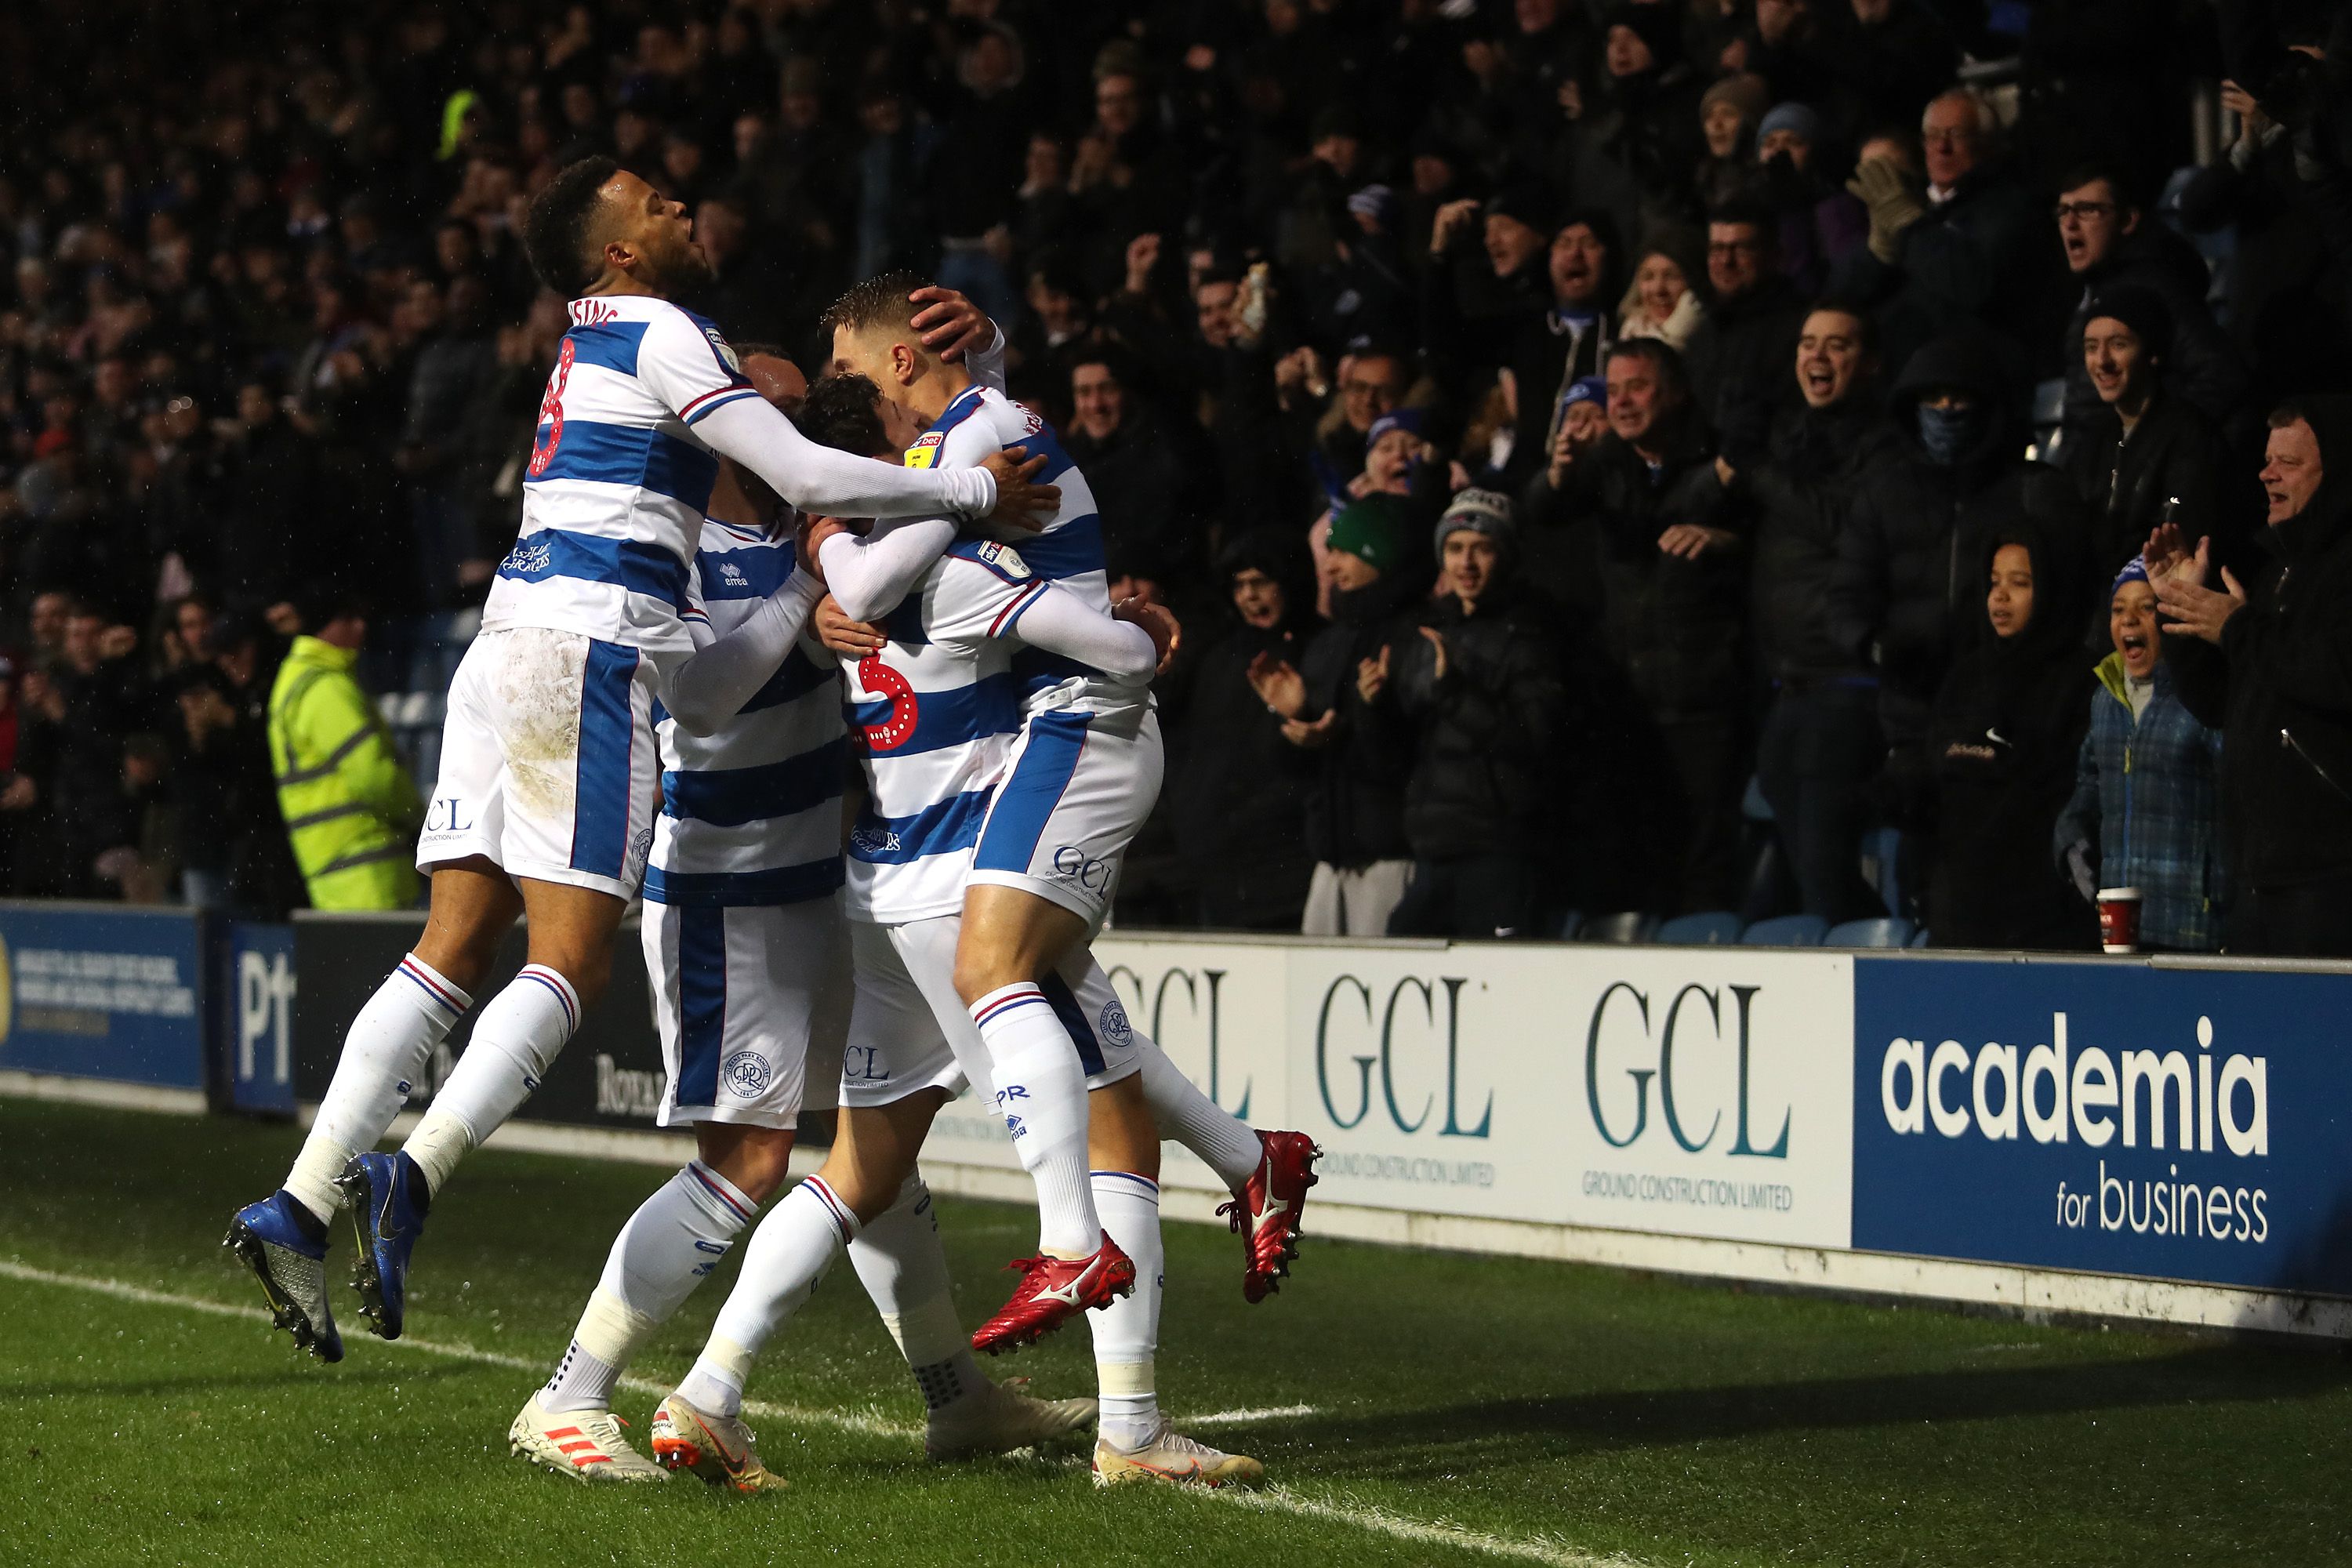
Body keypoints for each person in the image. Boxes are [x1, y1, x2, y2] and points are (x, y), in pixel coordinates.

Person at [224, 157, 1058, 1365]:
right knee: (571, 970)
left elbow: (857, 444)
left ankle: (299, 1198)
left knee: (454, 946)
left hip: (512, 637)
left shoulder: (606, 356)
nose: (680, 205)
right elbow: (805, 506)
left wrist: (970, 374)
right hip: (595, 668)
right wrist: (968, 495)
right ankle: (422, 1181)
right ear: (614, 251)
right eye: (653, 204)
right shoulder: (675, 354)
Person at [671, 350, 1310, 1493]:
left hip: (880, 894)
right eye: (909, 443)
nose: (931, 450)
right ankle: (1135, 1418)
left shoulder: (824, 580)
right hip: (978, 884)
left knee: (859, 1166)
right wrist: (1129, 628)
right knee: (1118, 1114)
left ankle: (708, 1392)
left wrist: (829, 538)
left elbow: (855, 566)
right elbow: (1098, 641)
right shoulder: (953, 569)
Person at [510, 344, 1091, 1482]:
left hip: (822, 879)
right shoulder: (677, 547)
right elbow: (703, 696)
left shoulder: (818, 538)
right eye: (764, 410)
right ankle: (570, 1393)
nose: (786, 427)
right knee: (748, 1163)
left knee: (879, 1141)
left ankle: (955, 1396)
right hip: (727, 893)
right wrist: (804, 597)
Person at [1523, 339, 1747, 913]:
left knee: (1701, 858)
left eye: (1638, 388)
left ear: (1675, 393)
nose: (1621, 402)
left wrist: (1729, 541)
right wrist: (1558, 473)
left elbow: (1773, 546)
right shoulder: (1607, 461)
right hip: (1630, 697)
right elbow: (1543, 511)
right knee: (1631, 854)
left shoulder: (1721, 457)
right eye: (1614, 390)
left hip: (1703, 697)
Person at [2153, 398, 2352, 956]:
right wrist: (2184, 615)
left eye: (2288, 462)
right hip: (2258, 876)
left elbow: (2334, 671)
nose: (2267, 474)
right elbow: (2223, 703)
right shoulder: (2275, 571)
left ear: (2334, 471)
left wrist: (2237, 626)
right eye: (2267, 460)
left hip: (2330, 879)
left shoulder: (2341, 569)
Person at [1828, 328, 2087, 756]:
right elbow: (1846, 597)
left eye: (1958, 398)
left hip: (2010, 712)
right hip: (1909, 717)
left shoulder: (2034, 492)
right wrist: (1879, 648)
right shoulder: (1884, 492)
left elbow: (2071, 597)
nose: (1945, 410)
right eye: (1933, 398)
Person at [1743, 305, 1900, 921]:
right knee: (1801, 872)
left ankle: (1892, 980)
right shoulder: (1791, 438)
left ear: (1869, 363)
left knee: (1824, 872)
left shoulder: (1886, 445)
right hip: (1789, 686)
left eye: (1837, 346)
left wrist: (1758, 472)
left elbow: (1845, 526)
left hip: (1847, 687)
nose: (1817, 357)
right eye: (1808, 343)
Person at [1370, 490, 1568, 939]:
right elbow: (1401, 747)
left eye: (1482, 548)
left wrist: (1455, 692)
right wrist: (1374, 705)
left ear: (1507, 555)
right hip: (1433, 848)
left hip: (1500, 850)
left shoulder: (1532, 634)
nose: (1467, 563)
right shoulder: (1427, 630)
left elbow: (1536, 737)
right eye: (1456, 549)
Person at [1912, 524, 2097, 949]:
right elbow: (1936, 774)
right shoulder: (1965, 676)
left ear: (2050, 589)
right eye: (1993, 582)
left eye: (2020, 583)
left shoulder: (2079, 680)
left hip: (2040, 920)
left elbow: (2072, 792)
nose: (2000, 596)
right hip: (1957, 912)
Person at [1252, 495, 1421, 938]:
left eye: (1344, 551)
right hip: (1332, 858)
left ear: (1378, 553)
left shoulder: (1412, 635)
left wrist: (1375, 710)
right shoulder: (1331, 642)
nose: (1330, 566)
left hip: (1391, 858)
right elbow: (1298, 767)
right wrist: (1295, 722)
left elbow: (1405, 759)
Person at [2053, 560, 2223, 953]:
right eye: (2118, 609)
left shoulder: (2202, 696)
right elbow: (2090, 782)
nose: (2129, 619)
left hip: (2192, 929)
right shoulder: (2105, 699)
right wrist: (2071, 839)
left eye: (2147, 607)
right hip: (2122, 931)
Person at [1156, 532, 1319, 930]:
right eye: (1240, 584)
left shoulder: (1316, 650)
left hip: (1287, 866)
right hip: (1217, 864)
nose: (1250, 595)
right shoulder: (1218, 658)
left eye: (1261, 582)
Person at [2049, 163, 2247, 443]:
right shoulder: (2094, 288)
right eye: (2063, 211)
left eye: (2088, 210)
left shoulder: (2154, 287)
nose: (2070, 223)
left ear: (2128, 219)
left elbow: (2220, 375)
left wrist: (2151, 446)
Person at [2059, 286, 2243, 587]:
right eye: (2091, 347)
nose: (2102, 361)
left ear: (2153, 353)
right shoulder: (2094, 443)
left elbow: (2181, 539)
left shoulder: (2189, 435)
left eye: (2118, 344)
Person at [266, 589, 421, 912]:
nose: (361, 626)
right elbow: (373, 775)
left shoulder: (297, 679)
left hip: (335, 870)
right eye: (348, 618)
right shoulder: (325, 688)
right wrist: (419, 817)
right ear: (324, 625)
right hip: (368, 872)